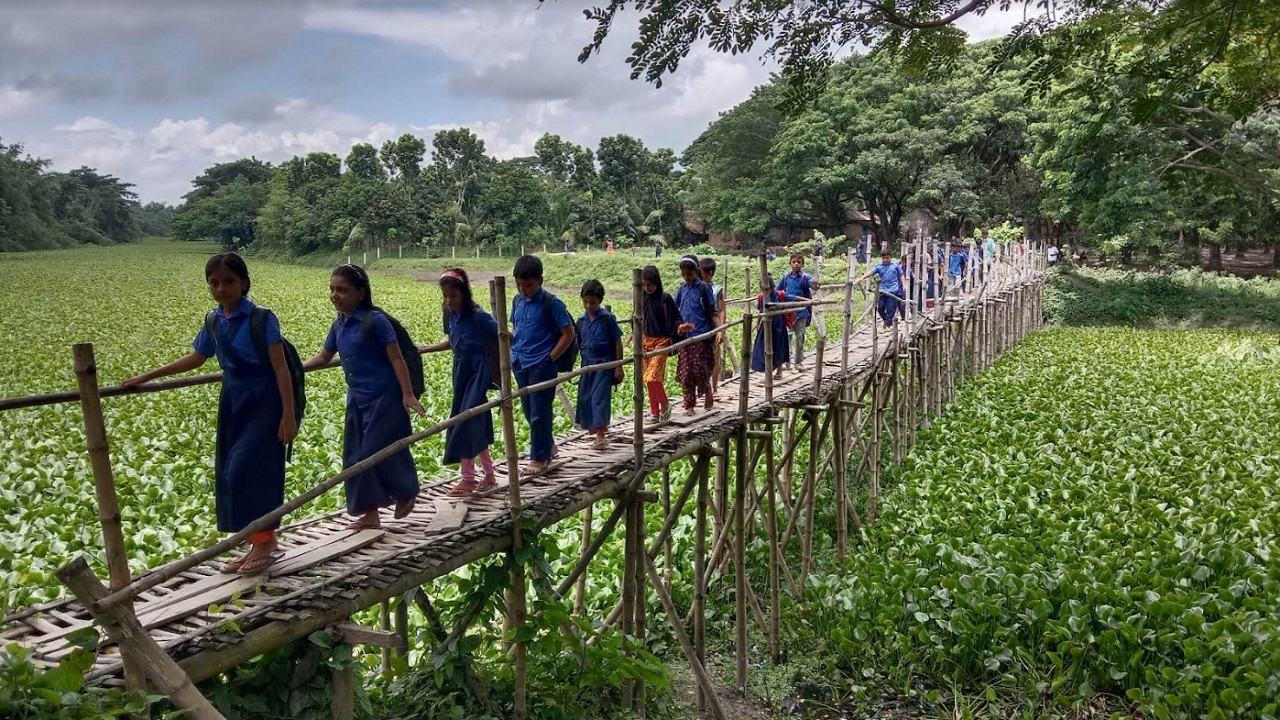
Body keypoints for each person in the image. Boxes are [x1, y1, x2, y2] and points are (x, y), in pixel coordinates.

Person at [124, 253, 297, 575]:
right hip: (233, 400)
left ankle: (265, 542)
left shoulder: (262, 318)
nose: (221, 288)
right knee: (229, 472)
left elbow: (281, 369)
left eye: (229, 281)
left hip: (265, 400)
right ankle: (258, 541)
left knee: (246, 468)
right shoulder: (214, 320)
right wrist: (147, 376)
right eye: (214, 283)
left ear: (244, 283)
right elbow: (197, 358)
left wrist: (289, 416)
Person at [302, 265, 423, 530]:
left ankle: (406, 490)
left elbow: (396, 358)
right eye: (332, 289)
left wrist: (407, 394)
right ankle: (370, 514)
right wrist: (293, 368)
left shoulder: (375, 321)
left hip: (385, 396)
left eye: (342, 290)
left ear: (360, 292)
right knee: (355, 457)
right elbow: (324, 357)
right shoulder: (339, 325)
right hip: (357, 399)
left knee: (374, 452)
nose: (335, 295)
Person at [421, 268, 498, 497]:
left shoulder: (479, 317)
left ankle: (468, 478)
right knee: (474, 421)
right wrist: (426, 349)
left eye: (453, 296)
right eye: (445, 296)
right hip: (461, 370)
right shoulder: (450, 315)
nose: (448, 300)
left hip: (478, 370)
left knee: (465, 419)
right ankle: (489, 474)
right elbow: (453, 342)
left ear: (465, 294)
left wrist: (513, 362)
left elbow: (503, 337)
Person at [510, 255, 575, 475]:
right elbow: (516, 329)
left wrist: (550, 358)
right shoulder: (516, 301)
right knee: (529, 410)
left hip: (541, 364)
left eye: (527, 285)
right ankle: (548, 446)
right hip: (519, 362)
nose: (523, 289)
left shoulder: (552, 303)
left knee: (540, 411)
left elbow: (568, 333)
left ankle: (539, 458)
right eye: (519, 285)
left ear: (540, 280)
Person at [575, 279, 624, 450]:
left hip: (604, 365)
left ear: (600, 301)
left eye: (593, 302)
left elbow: (617, 341)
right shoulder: (580, 321)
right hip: (587, 364)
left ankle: (601, 435)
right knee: (586, 398)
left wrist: (618, 365)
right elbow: (578, 343)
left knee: (599, 399)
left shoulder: (607, 319)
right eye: (585, 302)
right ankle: (595, 431)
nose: (589, 306)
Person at [674, 255, 717, 414]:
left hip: (702, 335)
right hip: (686, 338)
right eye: (684, 275)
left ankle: (707, 390)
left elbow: (712, 312)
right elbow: (674, 309)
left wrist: (719, 331)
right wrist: (678, 325)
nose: (687, 277)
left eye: (690, 274)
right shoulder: (682, 289)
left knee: (700, 369)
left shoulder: (704, 289)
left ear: (696, 271)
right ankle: (689, 405)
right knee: (686, 372)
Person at [639, 265, 679, 423]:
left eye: (650, 284)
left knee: (652, 377)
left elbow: (675, 318)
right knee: (648, 379)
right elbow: (637, 318)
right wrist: (635, 335)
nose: (647, 288)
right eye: (644, 284)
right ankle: (654, 412)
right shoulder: (641, 298)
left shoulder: (665, 298)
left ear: (657, 282)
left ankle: (665, 404)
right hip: (645, 341)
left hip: (661, 341)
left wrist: (679, 328)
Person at [780, 253, 817, 371]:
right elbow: (779, 291)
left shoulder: (805, 277)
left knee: (800, 338)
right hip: (789, 313)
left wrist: (816, 285)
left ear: (802, 264)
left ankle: (799, 362)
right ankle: (786, 362)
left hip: (801, 313)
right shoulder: (786, 277)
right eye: (794, 262)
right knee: (787, 338)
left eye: (799, 262)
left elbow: (814, 284)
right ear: (790, 263)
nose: (796, 264)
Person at [751, 274, 791, 379]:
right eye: (764, 289)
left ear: (773, 287)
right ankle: (767, 371)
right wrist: (757, 323)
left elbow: (794, 298)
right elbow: (761, 311)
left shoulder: (779, 295)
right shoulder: (761, 297)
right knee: (763, 347)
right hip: (766, 324)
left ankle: (779, 370)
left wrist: (808, 301)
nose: (767, 291)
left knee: (779, 347)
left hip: (778, 324)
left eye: (769, 289)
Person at [858, 249, 907, 329]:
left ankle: (887, 326)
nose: (886, 260)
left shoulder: (895, 266)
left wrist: (904, 285)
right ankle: (887, 321)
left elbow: (901, 275)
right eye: (884, 258)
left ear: (890, 257)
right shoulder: (879, 267)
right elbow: (870, 272)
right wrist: (862, 278)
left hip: (893, 290)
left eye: (887, 258)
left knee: (890, 309)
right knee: (880, 308)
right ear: (881, 258)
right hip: (882, 291)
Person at [698, 257, 726, 392]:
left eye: (700, 273)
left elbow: (721, 310)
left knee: (715, 359)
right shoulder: (695, 287)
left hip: (713, 328)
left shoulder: (716, 290)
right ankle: (703, 388)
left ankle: (713, 387)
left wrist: (721, 329)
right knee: (699, 359)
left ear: (709, 274)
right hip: (699, 329)